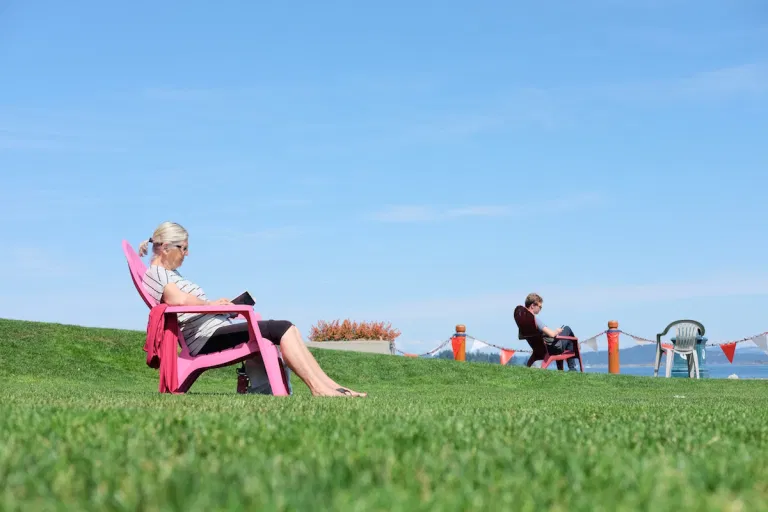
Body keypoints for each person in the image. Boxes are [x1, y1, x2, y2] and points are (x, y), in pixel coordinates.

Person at [138, 221, 367, 398]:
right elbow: (176, 299)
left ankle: (332, 387)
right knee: (282, 328)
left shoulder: (170, 274)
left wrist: (223, 308)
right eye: (183, 248)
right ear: (166, 247)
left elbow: (186, 302)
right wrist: (212, 305)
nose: (186, 254)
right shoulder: (156, 273)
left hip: (213, 330)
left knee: (288, 329)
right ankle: (318, 388)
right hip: (205, 339)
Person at [525, 293, 578, 371]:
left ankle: (563, 369)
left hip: (540, 347)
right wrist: (557, 331)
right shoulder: (535, 320)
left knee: (568, 341)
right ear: (533, 306)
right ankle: (572, 368)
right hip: (553, 348)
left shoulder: (526, 321)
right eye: (540, 307)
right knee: (567, 329)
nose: (540, 309)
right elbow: (552, 334)